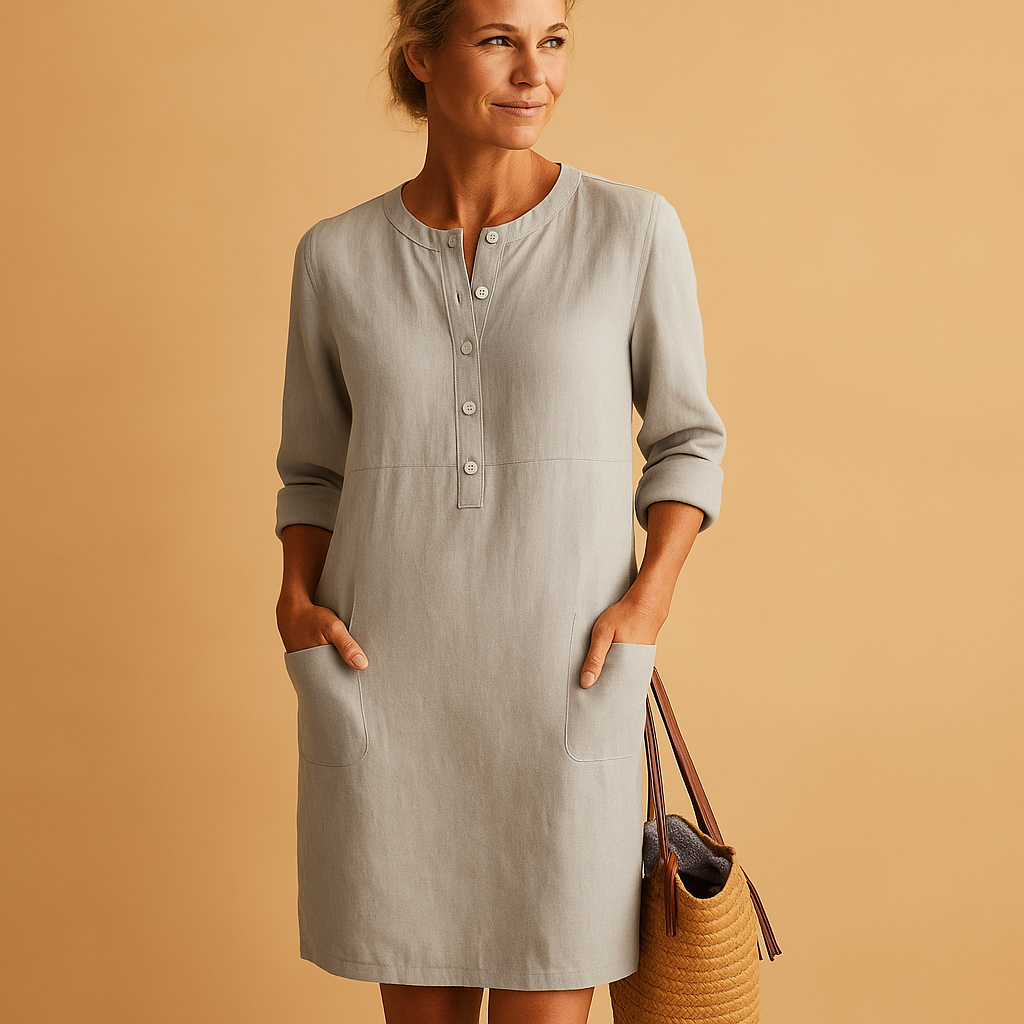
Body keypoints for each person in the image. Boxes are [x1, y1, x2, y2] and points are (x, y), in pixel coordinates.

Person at [273, 1, 727, 1021]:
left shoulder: (630, 230)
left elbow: (689, 442)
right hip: (386, 688)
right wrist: (295, 601)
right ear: (421, 56)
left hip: (566, 684)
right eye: (498, 41)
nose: (535, 72)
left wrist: (647, 603)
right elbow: (311, 472)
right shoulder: (335, 257)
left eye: (553, 41)